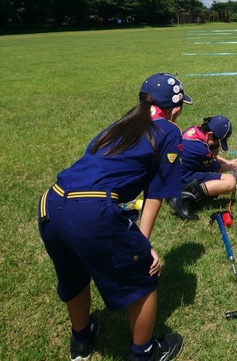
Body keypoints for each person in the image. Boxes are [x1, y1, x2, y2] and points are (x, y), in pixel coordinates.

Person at [38, 73, 192, 361]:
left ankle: (81, 341)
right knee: (145, 277)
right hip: (90, 212)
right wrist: (142, 245)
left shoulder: (118, 127)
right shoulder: (169, 130)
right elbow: (157, 193)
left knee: (74, 277)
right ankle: (145, 353)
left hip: (52, 203)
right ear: (177, 107)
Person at [168, 116, 237, 221]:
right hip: (179, 182)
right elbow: (215, 168)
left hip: (173, 177)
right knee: (230, 181)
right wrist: (233, 166)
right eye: (218, 143)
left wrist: (229, 162)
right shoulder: (201, 150)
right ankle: (182, 199)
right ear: (210, 135)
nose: (217, 146)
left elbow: (209, 155)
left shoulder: (194, 132)